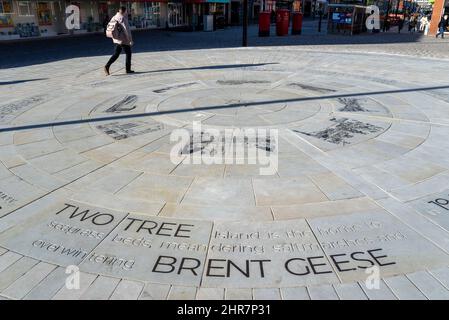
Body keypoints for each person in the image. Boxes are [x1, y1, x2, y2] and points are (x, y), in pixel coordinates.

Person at [104, 6, 134, 75]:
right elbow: (127, 30)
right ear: (124, 11)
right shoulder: (122, 18)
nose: (127, 13)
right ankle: (128, 69)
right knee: (128, 53)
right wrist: (130, 40)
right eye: (126, 11)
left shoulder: (114, 17)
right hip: (123, 40)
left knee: (116, 54)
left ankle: (107, 66)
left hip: (116, 39)